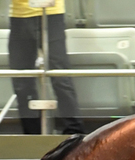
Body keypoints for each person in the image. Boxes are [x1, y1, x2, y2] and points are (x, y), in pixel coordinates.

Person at [8, 0, 85, 135]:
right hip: (19, 15)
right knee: (22, 82)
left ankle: (74, 132)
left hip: (51, 13)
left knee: (60, 77)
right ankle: (32, 135)